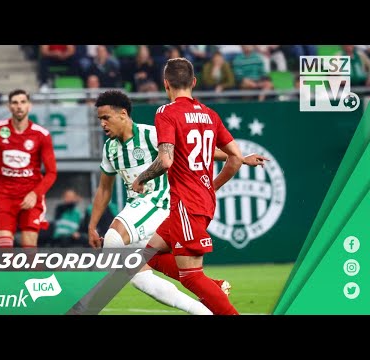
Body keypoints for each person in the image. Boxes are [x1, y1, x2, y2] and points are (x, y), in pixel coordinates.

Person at [90, 89, 268, 315]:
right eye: (99, 119)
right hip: (139, 213)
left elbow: (194, 150)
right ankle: (204, 306)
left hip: (161, 204)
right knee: (139, 273)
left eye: (106, 118)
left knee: (114, 239)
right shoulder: (110, 149)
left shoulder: (150, 134)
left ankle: (86, 305)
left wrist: (241, 159)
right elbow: (104, 188)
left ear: (123, 114)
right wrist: (92, 224)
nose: (102, 124)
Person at [132, 57, 245, 315]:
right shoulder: (210, 115)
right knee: (145, 257)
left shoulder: (166, 112)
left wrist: (141, 179)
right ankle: (215, 287)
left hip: (186, 204)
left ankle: (216, 294)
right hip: (197, 202)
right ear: (193, 82)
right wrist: (212, 186)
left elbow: (166, 160)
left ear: (165, 84)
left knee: (192, 276)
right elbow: (236, 157)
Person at [0, 89, 57, 248]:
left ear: (29, 106)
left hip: (30, 196)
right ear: (9, 106)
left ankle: (40, 273)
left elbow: (51, 173)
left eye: (23, 102)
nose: (19, 106)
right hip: (5, 196)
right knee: (4, 250)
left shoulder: (41, 134)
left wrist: (35, 194)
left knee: (29, 247)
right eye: (15, 103)